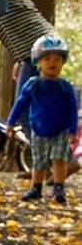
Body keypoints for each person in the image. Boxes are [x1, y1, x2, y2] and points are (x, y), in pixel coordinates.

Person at [7, 34, 77, 204]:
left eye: (57, 59)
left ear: (63, 63)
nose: (52, 63)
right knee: (38, 161)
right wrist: (11, 122)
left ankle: (59, 187)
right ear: (38, 62)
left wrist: (73, 130)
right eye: (47, 59)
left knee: (59, 159)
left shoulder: (65, 86)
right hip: (38, 129)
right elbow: (20, 103)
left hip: (60, 131)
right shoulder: (33, 84)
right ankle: (36, 187)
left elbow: (72, 108)